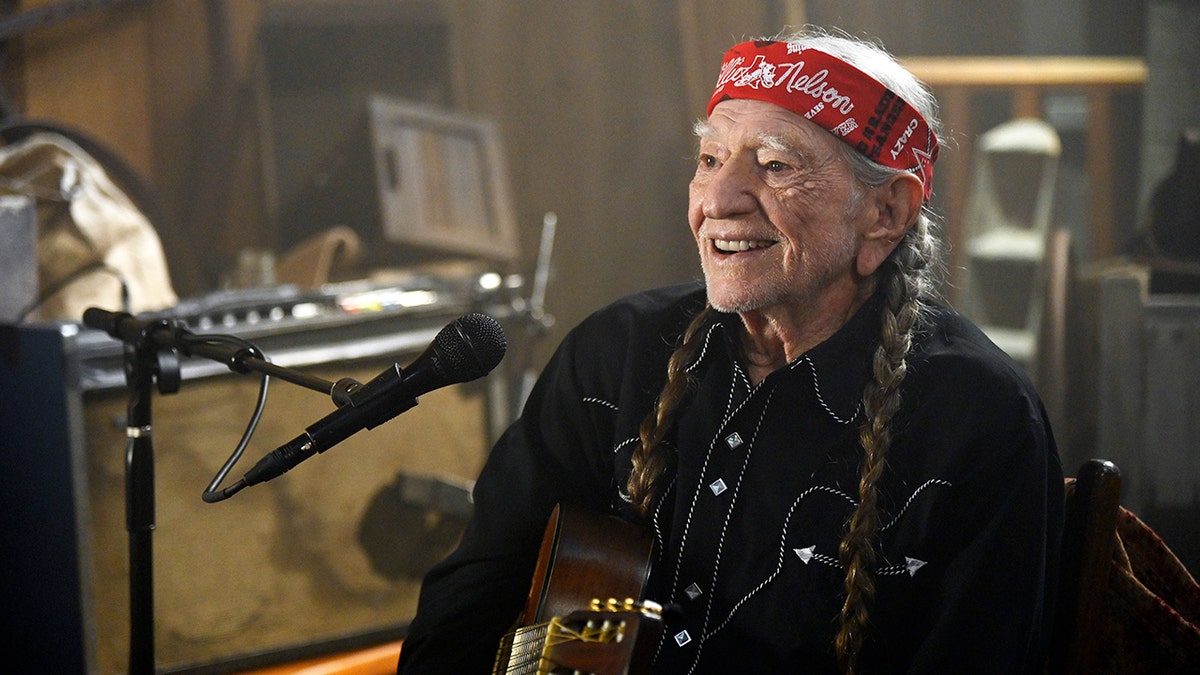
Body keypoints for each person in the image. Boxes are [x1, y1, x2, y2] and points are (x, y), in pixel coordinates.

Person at [397, 26, 1063, 674]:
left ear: (885, 212)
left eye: (775, 166)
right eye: (711, 159)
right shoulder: (612, 355)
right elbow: (469, 604)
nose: (717, 199)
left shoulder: (980, 419)